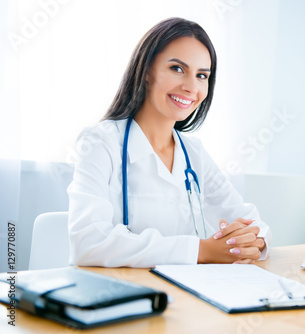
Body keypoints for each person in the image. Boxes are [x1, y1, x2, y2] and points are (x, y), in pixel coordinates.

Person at [67, 18, 271, 268]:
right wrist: (201, 250)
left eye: (202, 75)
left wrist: (254, 241)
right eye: (177, 69)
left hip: (184, 294)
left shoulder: (193, 153)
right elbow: (88, 243)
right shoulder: (101, 143)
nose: (191, 87)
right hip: (122, 295)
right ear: (146, 72)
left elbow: (249, 219)